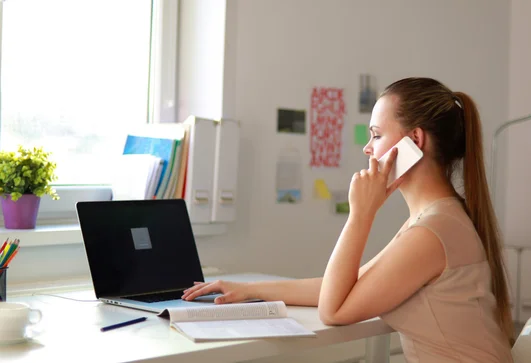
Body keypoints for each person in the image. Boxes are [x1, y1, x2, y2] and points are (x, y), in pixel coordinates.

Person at [182, 77, 514, 362]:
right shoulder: (436, 219)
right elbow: (344, 288)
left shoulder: (433, 231)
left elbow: (335, 310)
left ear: (415, 141)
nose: (367, 148)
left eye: (376, 135)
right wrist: (250, 290)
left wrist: (361, 214)